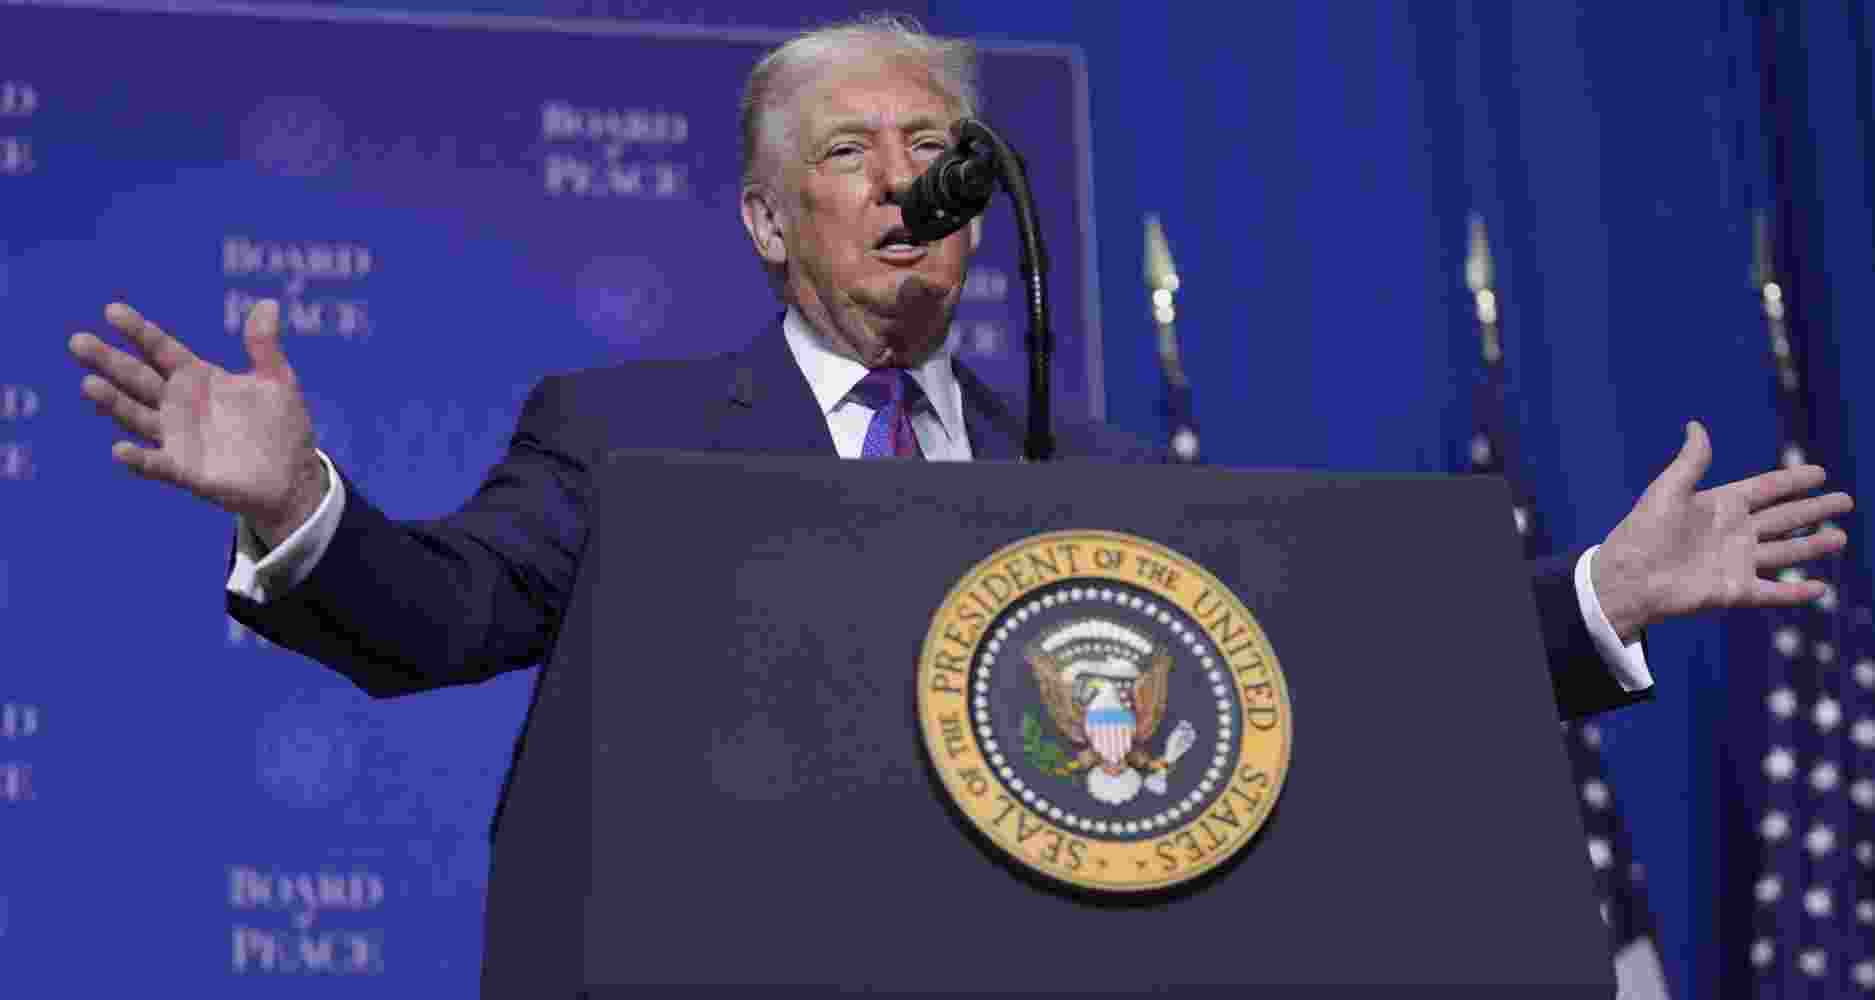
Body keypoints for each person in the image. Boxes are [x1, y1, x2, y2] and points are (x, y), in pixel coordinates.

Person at [67, 0, 1846, 879]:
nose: (903, 178)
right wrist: (303, 502)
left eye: (933, 145)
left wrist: (1593, 596)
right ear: (764, 220)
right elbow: (446, 610)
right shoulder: (627, 435)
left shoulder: (1100, 487)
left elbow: (1328, 666)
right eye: (847, 151)